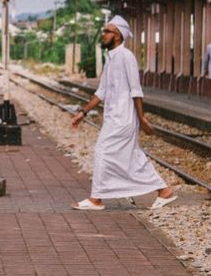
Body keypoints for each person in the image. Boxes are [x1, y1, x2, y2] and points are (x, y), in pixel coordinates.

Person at [70, 15, 176, 211]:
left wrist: (142, 118)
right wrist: (82, 113)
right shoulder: (110, 58)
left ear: (117, 36)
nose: (103, 35)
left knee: (103, 151)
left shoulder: (126, 57)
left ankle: (96, 199)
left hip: (124, 118)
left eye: (107, 32)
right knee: (130, 155)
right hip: (114, 117)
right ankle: (164, 190)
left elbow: (136, 90)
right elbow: (101, 92)